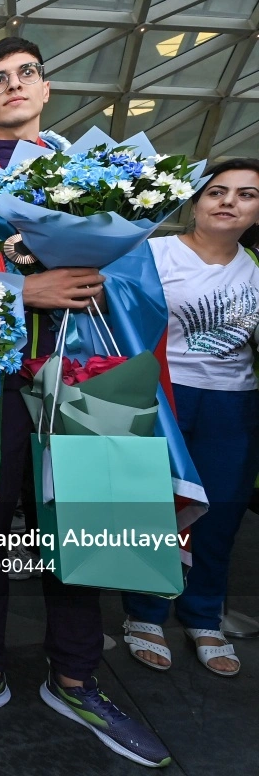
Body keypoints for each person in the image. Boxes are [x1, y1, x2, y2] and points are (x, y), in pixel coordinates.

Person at [0, 37, 172, 769]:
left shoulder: (102, 176)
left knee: (85, 524)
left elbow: (139, 283)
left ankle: (77, 678)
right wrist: (19, 289)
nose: (14, 85)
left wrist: (81, 272)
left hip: (84, 372)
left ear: (47, 88)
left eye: (27, 73)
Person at [122, 159, 259, 677]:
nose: (229, 202)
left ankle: (205, 615)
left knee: (220, 514)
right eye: (217, 192)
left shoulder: (256, 267)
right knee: (158, 509)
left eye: (245, 194)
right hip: (163, 395)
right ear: (196, 202)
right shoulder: (154, 254)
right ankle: (145, 614)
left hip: (234, 402)